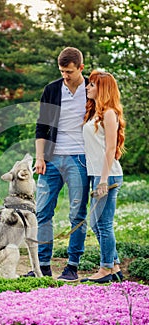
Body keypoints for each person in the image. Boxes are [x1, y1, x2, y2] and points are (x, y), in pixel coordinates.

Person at [26, 47, 90, 281]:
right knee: (42, 212)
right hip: (52, 159)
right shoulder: (52, 90)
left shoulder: (93, 87)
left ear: (80, 68)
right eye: (62, 71)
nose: (65, 76)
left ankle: (72, 267)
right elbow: (41, 126)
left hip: (80, 159)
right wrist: (40, 158)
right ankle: (42, 266)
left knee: (77, 214)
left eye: (70, 72)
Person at [81, 70, 125, 283]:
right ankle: (114, 265)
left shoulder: (109, 113)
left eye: (92, 85)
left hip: (107, 175)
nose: (88, 87)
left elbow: (110, 149)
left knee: (102, 224)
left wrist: (103, 181)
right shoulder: (97, 112)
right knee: (97, 223)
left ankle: (106, 268)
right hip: (97, 174)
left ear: (103, 88)